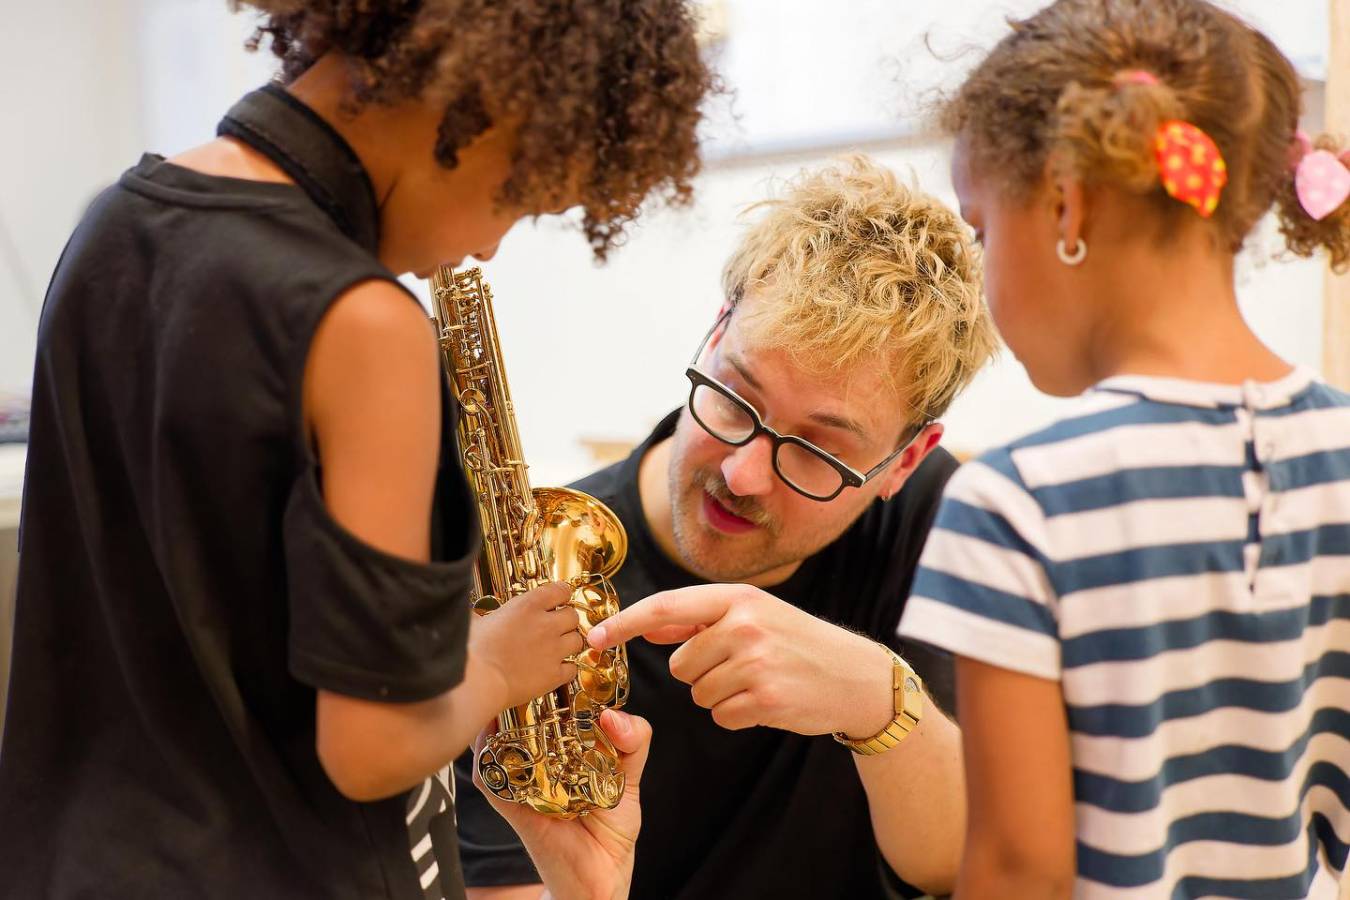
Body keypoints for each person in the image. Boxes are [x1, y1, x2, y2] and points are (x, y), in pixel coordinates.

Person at [0, 3, 711, 899]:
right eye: (523, 196)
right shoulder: (366, 323)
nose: (489, 245)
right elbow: (373, 748)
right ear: (484, 98)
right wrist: (492, 662)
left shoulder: (114, 223)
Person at [891, 0, 1350, 896]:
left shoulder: (1016, 508)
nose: (983, 273)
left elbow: (1018, 871)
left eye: (982, 231)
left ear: (1065, 201)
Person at [457, 156, 998, 899]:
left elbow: (954, 863)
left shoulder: (941, 518)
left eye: (818, 450)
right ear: (716, 332)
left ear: (903, 462)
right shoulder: (532, 567)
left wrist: (877, 697)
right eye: (736, 398)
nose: (743, 474)